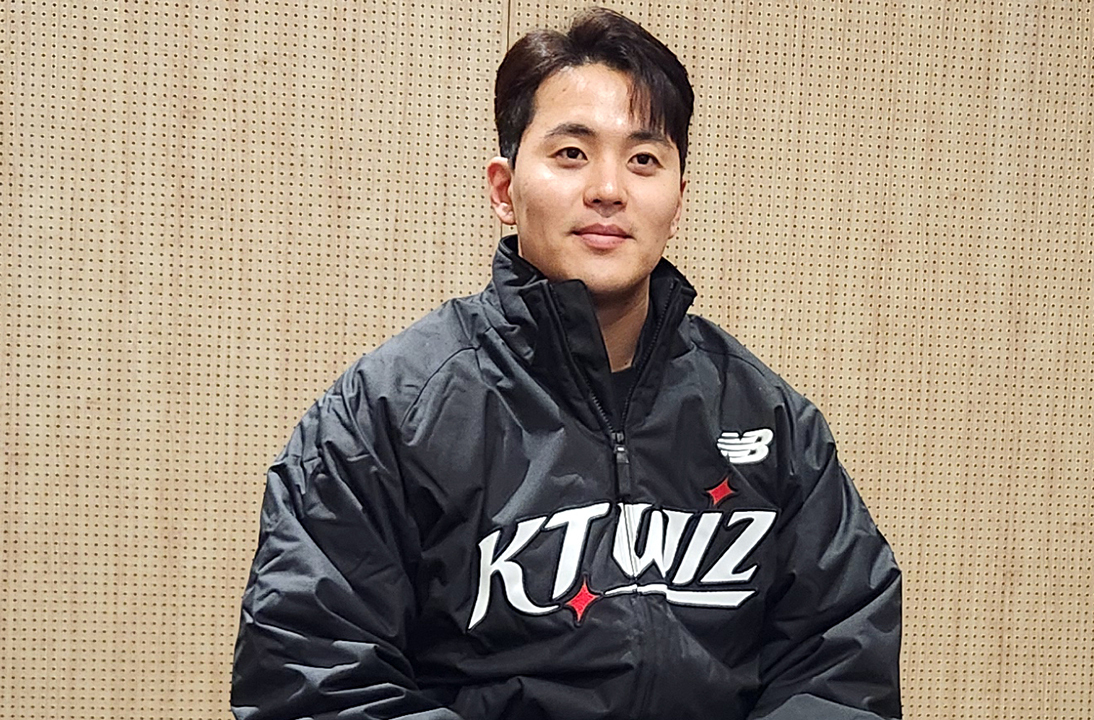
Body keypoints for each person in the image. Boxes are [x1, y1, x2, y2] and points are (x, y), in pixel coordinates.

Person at [231, 7, 902, 720]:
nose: (609, 189)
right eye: (572, 153)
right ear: (504, 190)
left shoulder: (768, 418)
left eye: (644, 160)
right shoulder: (389, 413)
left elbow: (841, 665)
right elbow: (316, 675)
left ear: (678, 196)